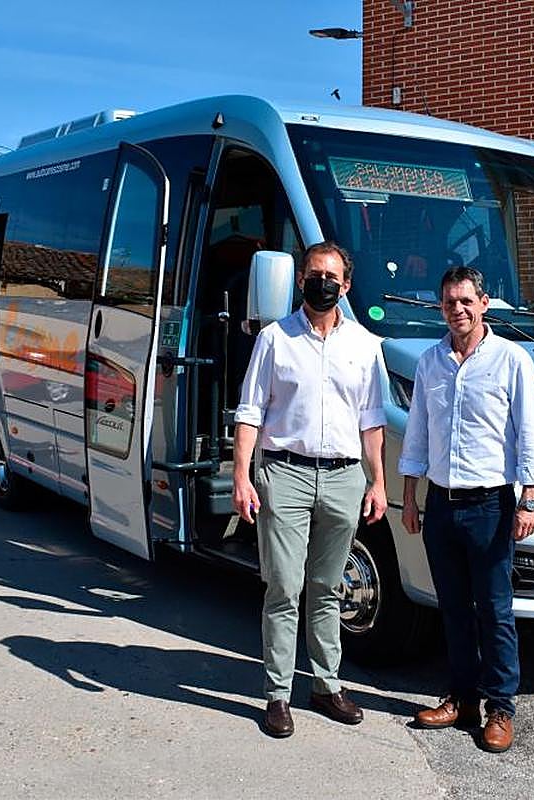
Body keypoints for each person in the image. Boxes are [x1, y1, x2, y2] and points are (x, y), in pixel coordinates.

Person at [232, 241, 388, 738]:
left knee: (327, 588)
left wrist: (378, 482)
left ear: (346, 286)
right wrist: (241, 477)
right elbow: (250, 412)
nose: (323, 282)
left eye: (332, 276)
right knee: (284, 587)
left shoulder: (366, 345)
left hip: (344, 478)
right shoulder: (275, 339)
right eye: (314, 273)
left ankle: (326, 684)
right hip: (286, 474)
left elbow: (372, 419)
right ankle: (277, 694)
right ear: (301, 280)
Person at [398, 266, 534, 753]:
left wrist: (529, 499)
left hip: (490, 506)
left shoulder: (510, 360)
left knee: (495, 610)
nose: (456, 309)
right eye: (448, 302)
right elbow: (418, 430)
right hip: (441, 503)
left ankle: (500, 706)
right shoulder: (430, 362)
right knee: (453, 609)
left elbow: (528, 433)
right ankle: (461, 699)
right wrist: (411, 496)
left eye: (465, 301)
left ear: (484, 304)